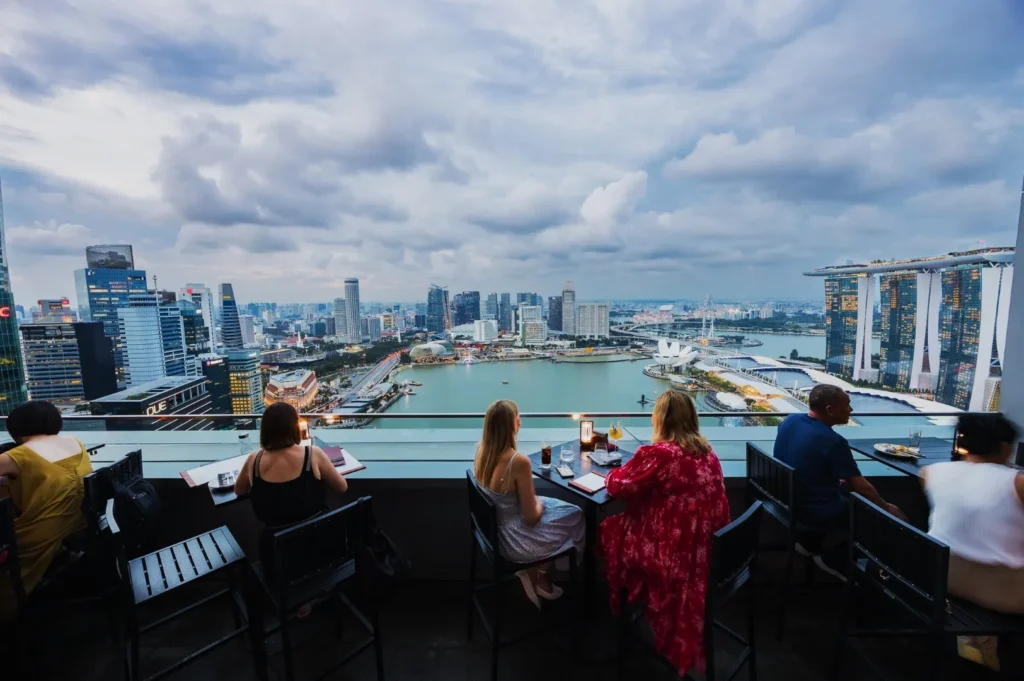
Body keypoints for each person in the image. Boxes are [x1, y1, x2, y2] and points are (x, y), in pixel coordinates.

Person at [600, 391, 731, 677]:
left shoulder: (659, 454)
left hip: (673, 553)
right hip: (709, 553)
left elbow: (619, 487)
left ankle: (612, 613)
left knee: (609, 528)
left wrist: (613, 472)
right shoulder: (707, 452)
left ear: (659, 418)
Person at [922, 413, 1023, 672]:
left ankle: (978, 640)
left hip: (944, 580)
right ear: (1004, 447)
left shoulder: (931, 473)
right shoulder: (1017, 483)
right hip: (1006, 596)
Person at [774, 384, 904, 574]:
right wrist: (886, 508)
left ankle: (810, 542)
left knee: (847, 492)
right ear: (829, 410)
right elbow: (861, 486)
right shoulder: (834, 441)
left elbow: (803, 457)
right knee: (880, 519)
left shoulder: (790, 420)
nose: (851, 410)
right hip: (812, 510)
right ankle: (833, 559)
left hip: (788, 499)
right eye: (847, 405)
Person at [473, 400, 584, 608]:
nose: (520, 422)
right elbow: (532, 517)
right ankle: (539, 574)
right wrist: (538, 503)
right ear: (513, 425)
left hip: (494, 535)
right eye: (518, 419)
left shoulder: (483, 453)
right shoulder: (518, 461)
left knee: (565, 511)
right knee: (576, 515)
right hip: (515, 542)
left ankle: (537, 574)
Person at [0, 401, 93, 621]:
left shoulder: (17, 456)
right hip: (75, 527)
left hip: (37, 536)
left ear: (15, 428)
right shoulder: (75, 443)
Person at [234, 402, 348, 574]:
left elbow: (239, 490)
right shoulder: (313, 454)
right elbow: (342, 487)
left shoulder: (254, 460)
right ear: (294, 427)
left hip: (278, 560)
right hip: (322, 550)